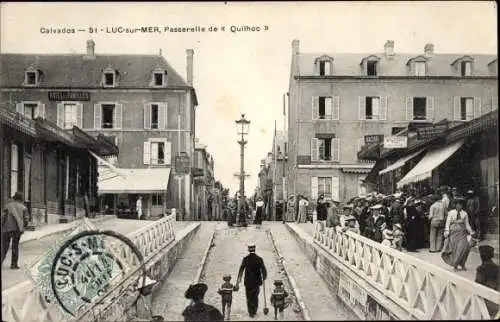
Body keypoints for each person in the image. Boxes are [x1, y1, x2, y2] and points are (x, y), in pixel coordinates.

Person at [441, 197, 475, 272]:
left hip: (462, 233)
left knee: (464, 248)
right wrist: (447, 231)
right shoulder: (451, 212)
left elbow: (467, 224)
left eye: (460, 205)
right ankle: (455, 265)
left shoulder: (465, 213)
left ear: (463, 206)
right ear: (455, 205)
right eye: (457, 204)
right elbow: (447, 223)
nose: (459, 206)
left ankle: (462, 264)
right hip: (453, 232)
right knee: (455, 249)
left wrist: (471, 231)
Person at [236, 244, 268, 318]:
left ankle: (251, 312)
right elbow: (264, 270)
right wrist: (264, 277)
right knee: (255, 296)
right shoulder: (259, 259)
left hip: (248, 282)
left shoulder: (245, 259)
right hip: (257, 282)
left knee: (249, 296)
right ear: (255, 249)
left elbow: (241, 270)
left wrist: (238, 281)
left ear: (248, 250)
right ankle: (255, 310)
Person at [1, 192, 30, 269]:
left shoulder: (7, 206)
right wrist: (24, 227)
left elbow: (3, 217)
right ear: (21, 199)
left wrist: (2, 226)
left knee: (4, 247)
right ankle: (14, 265)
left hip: (6, 228)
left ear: (14, 198)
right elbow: (26, 219)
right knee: (15, 246)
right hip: (17, 229)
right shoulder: (24, 208)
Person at [475, 245, 500, 318]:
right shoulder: (498, 268)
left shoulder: (480, 269)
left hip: (486, 303)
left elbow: (477, 287)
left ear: (481, 256)